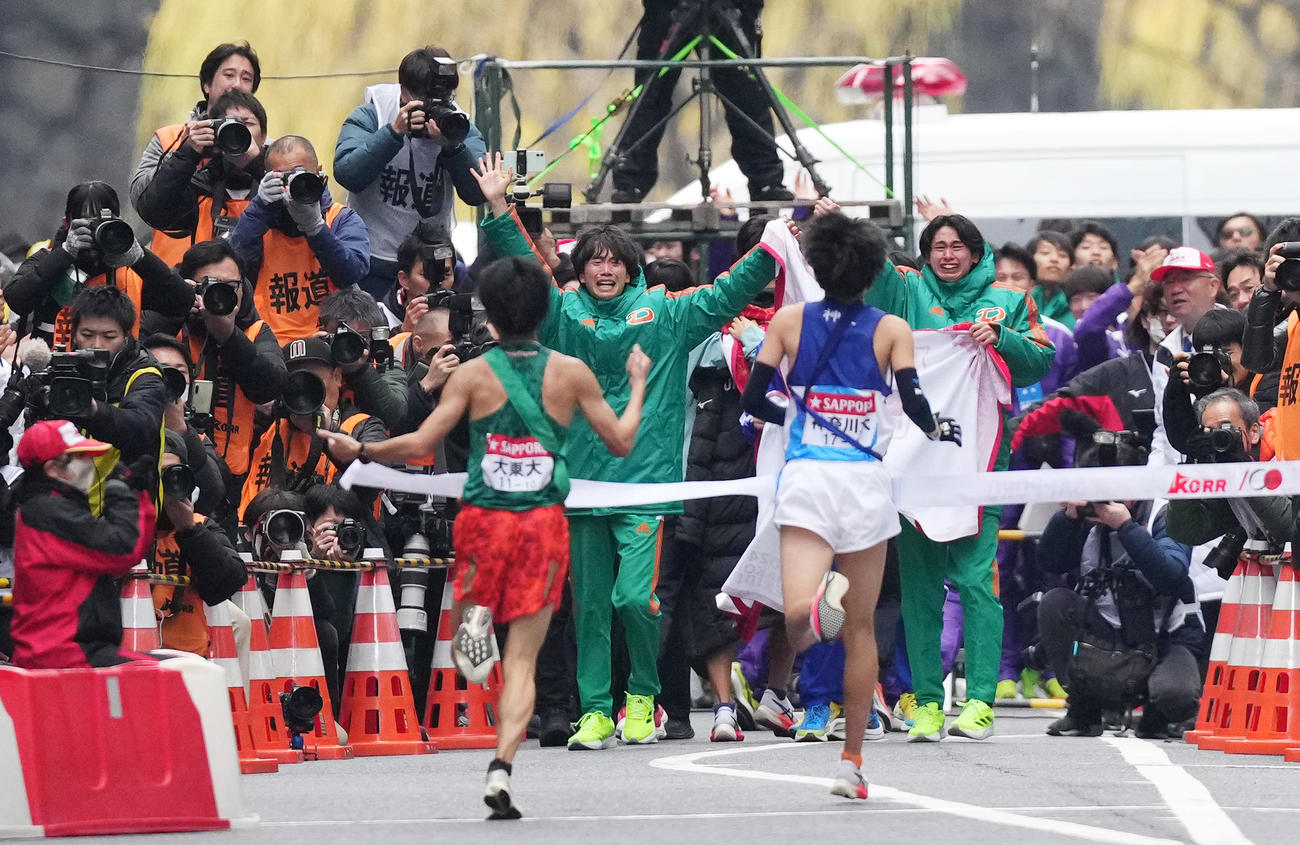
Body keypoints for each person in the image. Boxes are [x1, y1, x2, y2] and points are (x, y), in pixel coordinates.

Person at [321, 256, 652, 819]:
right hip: (542, 526)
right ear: (545, 313)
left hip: (482, 523)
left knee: (472, 638)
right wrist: (639, 383)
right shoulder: (571, 373)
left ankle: (474, 625)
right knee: (522, 660)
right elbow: (621, 441)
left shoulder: (472, 375)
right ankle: (501, 766)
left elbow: (423, 440)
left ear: (489, 318)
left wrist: (365, 451)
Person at [471, 153, 782, 751]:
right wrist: (495, 207)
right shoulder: (561, 315)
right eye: (595, 261)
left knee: (633, 600)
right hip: (583, 486)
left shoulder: (666, 313)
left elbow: (726, 293)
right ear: (582, 270)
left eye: (615, 260)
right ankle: (595, 710)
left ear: (631, 268)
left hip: (645, 486)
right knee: (589, 606)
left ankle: (641, 697)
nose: (605, 269)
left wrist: (771, 247)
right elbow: (525, 269)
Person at [742, 212, 959, 796]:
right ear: (871, 270)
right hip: (866, 480)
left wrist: (793, 415)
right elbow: (915, 406)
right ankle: (852, 763)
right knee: (860, 629)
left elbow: (754, 396)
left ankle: (815, 611)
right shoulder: (891, 329)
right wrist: (940, 430)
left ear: (813, 263)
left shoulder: (787, 322)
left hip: (808, 475)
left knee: (794, 614)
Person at [864, 213, 1056, 742]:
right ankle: (927, 702)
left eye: (957, 246)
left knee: (975, 582)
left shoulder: (1010, 301)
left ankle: (979, 702)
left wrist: (1000, 339)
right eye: (938, 246)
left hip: (979, 464)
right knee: (920, 589)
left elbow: (1041, 361)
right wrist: (832, 217)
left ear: (975, 252)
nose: (947, 255)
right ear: (925, 253)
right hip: (914, 464)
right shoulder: (904, 290)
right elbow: (868, 266)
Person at [1034, 425, 1203, 738]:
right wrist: (1067, 519)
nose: (1106, 497)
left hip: (1163, 640)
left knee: (1175, 695)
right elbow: (1049, 562)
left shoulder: (1165, 513)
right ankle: (1084, 709)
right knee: (1054, 601)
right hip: (1107, 635)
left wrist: (1126, 526)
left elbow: (1172, 578)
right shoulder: (1087, 517)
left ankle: (1157, 716)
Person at [333, 46, 487, 301]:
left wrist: (453, 147)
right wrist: (393, 133)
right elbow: (347, 173)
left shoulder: (458, 123)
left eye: (443, 99)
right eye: (426, 101)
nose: (434, 110)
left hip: (429, 267)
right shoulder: (375, 113)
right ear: (404, 93)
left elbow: (478, 191)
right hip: (372, 262)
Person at [608, 0, 791, 204]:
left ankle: (766, 181)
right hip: (670, 8)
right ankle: (630, 180)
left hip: (731, 7)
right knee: (651, 92)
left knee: (744, 92)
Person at [9, 420, 157, 668]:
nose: (90, 462)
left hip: (63, 648)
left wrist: (130, 491)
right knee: (180, 676)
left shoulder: (46, 506)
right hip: (64, 651)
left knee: (180, 669)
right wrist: (124, 492)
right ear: (53, 468)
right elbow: (124, 547)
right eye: (81, 456)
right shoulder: (48, 511)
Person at [154, 239, 286, 489]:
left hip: (232, 474)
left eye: (230, 286)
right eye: (210, 286)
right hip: (167, 460)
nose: (221, 294)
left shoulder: (255, 331)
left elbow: (271, 386)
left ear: (243, 287)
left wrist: (228, 335)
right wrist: (176, 306)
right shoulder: (168, 322)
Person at [6, 182, 194, 347]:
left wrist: (141, 258)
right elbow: (17, 300)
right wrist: (65, 254)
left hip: (117, 371)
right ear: (67, 223)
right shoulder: (49, 259)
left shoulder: (129, 271)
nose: (95, 229)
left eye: (103, 221)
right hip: (55, 371)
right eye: (86, 221)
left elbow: (181, 302)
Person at [229, 136, 370, 342]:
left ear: (320, 174)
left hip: (330, 340)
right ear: (268, 179)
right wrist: (259, 209)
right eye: (283, 179)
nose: (296, 186)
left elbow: (351, 273)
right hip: (270, 342)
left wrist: (316, 227)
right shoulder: (257, 222)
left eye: (302, 176)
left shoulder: (340, 218)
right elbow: (235, 268)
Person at [238, 337, 387, 519]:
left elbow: (375, 479)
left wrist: (328, 433)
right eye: (296, 382)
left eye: (312, 380)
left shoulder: (364, 426)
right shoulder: (268, 426)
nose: (304, 391)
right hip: (269, 536)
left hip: (340, 541)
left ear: (337, 377)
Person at [130, 41, 262, 227]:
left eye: (246, 79)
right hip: (176, 252)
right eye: (229, 75)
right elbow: (140, 199)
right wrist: (185, 154)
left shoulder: (259, 146)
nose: (237, 85)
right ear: (207, 84)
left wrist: (255, 162)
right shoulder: (170, 138)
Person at [63, 286, 168, 514]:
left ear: (126, 335)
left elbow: (140, 428)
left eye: (109, 336)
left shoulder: (145, 374)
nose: (97, 345)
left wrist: (91, 410)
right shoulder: (62, 369)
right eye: (87, 335)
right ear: (73, 332)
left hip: (124, 520)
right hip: (63, 516)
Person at [134, 90, 269, 268]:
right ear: (215, 134)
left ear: (264, 136)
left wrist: (257, 165)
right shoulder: (201, 185)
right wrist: (187, 154)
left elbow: (298, 217)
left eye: (247, 123)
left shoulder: (275, 179)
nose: (239, 130)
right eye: (230, 124)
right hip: (208, 292)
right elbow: (155, 213)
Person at [149, 430, 246, 657]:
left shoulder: (201, 525)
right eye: (156, 477)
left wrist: (189, 531)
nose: (163, 487)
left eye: (171, 476)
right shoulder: (123, 523)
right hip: (131, 661)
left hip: (189, 660)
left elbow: (229, 582)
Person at [318, 288, 407, 432]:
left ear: (374, 337)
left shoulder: (383, 361)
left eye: (361, 337)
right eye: (341, 336)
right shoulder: (317, 359)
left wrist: (361, 371)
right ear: (325, 332)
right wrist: (312, 359)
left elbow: (394, 415)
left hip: (370, 446)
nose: (349, 345)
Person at [377, 223, 457, 332]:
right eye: (429, 274)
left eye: (445, 274)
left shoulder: (463, 314)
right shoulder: (382, 319)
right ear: (404, 279)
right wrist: (403, 332)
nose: (439, 284)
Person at [1026, 231, 1074, 328]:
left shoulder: (1078, 310)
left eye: (1062, 255)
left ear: (1070, 269)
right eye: (1045, 253)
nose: (1054, 259)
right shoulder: (1014, 307)